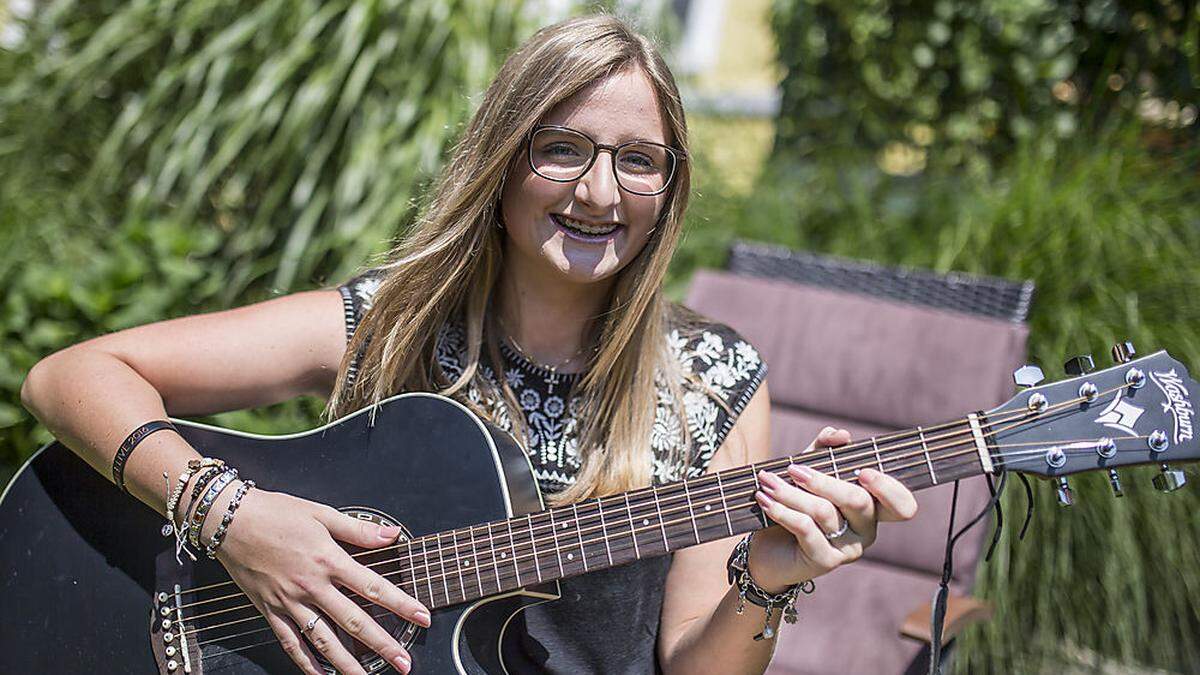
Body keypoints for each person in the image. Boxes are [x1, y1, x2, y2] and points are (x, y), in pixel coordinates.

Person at [19, 13, 917, 675]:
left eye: (639, 160)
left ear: (670, 188)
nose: (601, 192)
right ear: (500, 160)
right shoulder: (393, 321)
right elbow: (73, 375)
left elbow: (693, 666)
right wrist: (234, 518)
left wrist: (765, 579)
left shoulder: (713, 381)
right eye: (561, 149)